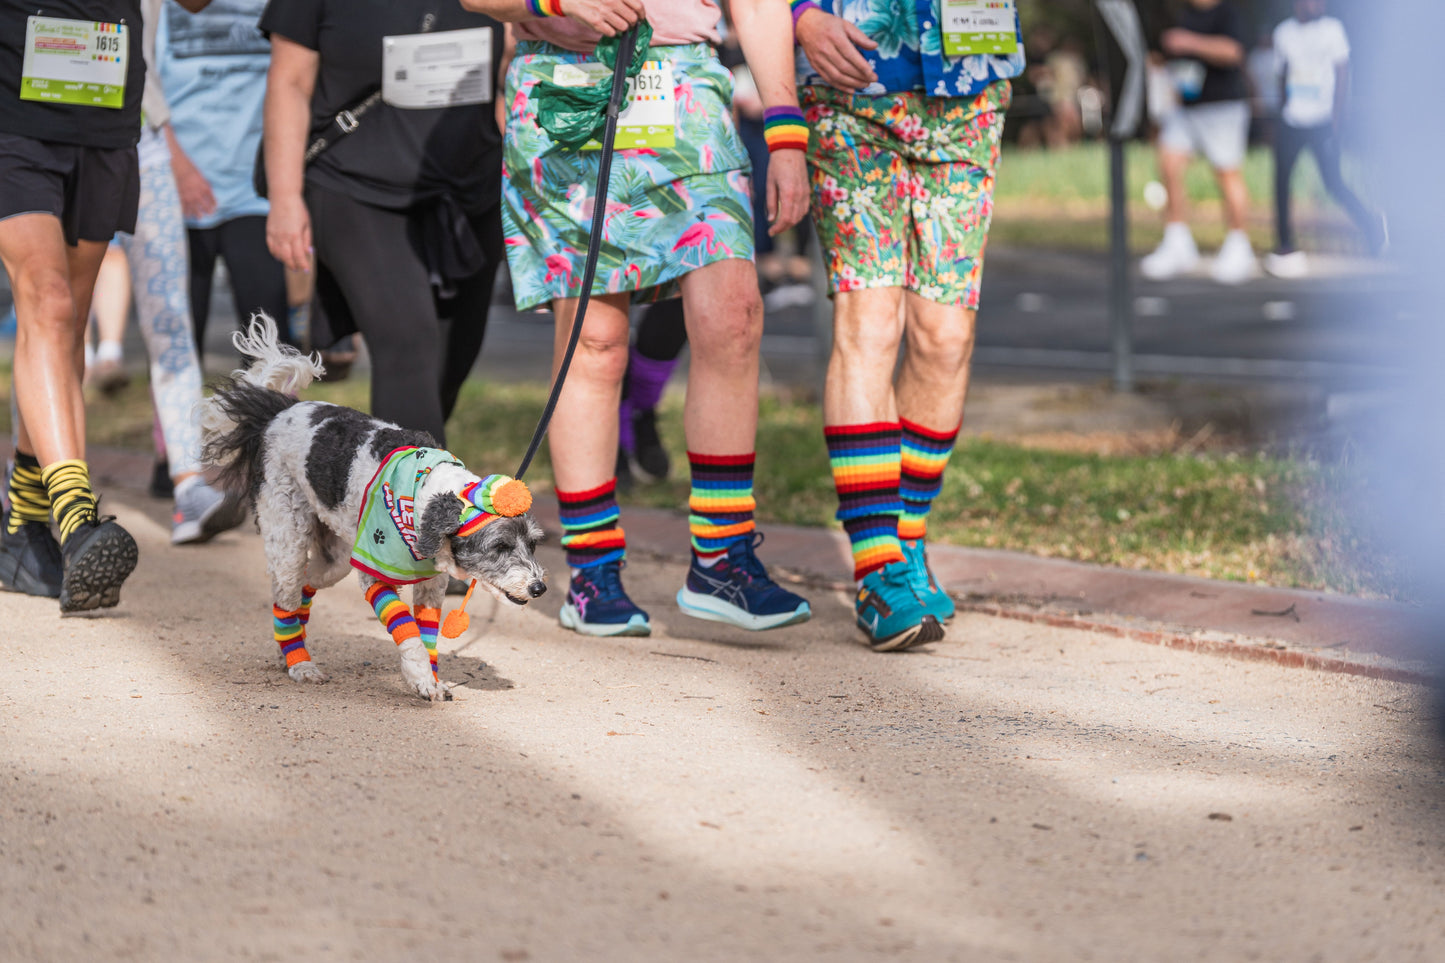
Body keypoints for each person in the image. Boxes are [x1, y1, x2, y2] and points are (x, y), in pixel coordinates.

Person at [461, 0, 812, 637]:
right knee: (596, 341)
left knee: (734, 316)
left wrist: (785, 129)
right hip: (565, 88)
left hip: (687, 88)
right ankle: (593, 571)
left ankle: (722, 558)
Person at [791, 0, 1022, 650]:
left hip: (968, 79)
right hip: (852, 81)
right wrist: (800, 17)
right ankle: (876, 567)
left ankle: (907, 540)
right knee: (870, 321)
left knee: (945, 337)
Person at [0, 0, 211, 611]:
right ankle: (75, 516)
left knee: (62, 326)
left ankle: (23, 522)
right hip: (13, 110)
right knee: (49, 301)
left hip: (105, 115)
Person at [259, 0, 508, 444]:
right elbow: (289, 82)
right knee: (408, 345)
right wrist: (284, 197)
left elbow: (510, 71)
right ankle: (423, 505)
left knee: (450, 365)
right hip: (353, 185)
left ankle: (380, 481)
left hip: (469, 189)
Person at [158, 0, 291, 352]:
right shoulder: (158, 8)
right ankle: (176, 410)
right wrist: (179, 168)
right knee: (179, 339)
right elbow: (143, 87)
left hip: (256, 190)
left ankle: (276, 409)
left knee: (268, 341)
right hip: (179, 186)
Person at [1264, 0, 1386, 279]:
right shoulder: (1284, 33)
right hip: (1292, 119)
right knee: (1281, 181)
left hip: (1323, 121)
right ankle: (1285, 244)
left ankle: (1373, 228)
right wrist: (1281, 114)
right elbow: (1281, 74)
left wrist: (1337, 121)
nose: (1317, 4)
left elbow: (1343, 74)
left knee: (1333, 182)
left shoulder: (1332, 29)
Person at [1140, 0, 1257, 285]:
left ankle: (1239, 244)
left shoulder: (1227, 12)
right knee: (1168, 163)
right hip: (1187, 107)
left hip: (1223, 106)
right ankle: (1177, 240)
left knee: (1227, 174)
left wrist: (1189, 43)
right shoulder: (1184, 14)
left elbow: (1233, 52)